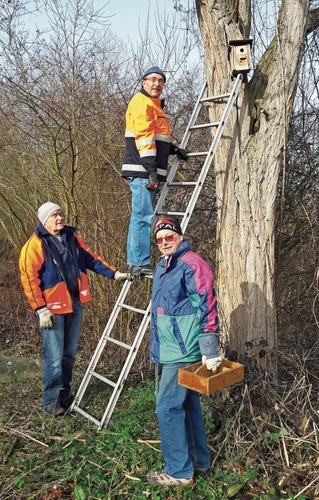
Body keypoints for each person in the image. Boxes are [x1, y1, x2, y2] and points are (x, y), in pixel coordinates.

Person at [19, 201, 128, 416]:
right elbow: (28, 279)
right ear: (44, 220)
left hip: (73, 303)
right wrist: (41, 309)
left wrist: (114, 273)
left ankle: (64, 396)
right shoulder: (35, 245)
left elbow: (91, 258)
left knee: (68, 355)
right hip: (51, 310)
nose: (59, 218)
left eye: (61, 214)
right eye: (54, 216)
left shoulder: (71, 237)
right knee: (54, 357)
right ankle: (50, 404)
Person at [146, 216, 222, 486]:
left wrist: (210, 348)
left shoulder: (192, 264)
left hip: (184, 349)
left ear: (179, 236)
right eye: (160, 239)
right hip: (171, 347)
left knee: (166, 407)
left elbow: (207, 305)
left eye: (170, 236)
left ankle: (179, 472)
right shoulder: (164, 264)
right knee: (188, 405)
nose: (165, 242)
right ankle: (199, 461)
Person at [121, 65, 188, 277]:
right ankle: (138, 262)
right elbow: (144, 139)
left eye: (160, 80)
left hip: (147, 169)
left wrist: (174, 150)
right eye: (152, 79)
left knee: (141, 216)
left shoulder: (155, 106)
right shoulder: (142, 104)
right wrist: (150, 171)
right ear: (143, 82)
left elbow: (158, 139)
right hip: (142, 170)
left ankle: (136, 261)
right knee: (143, 217)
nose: (156, 84)